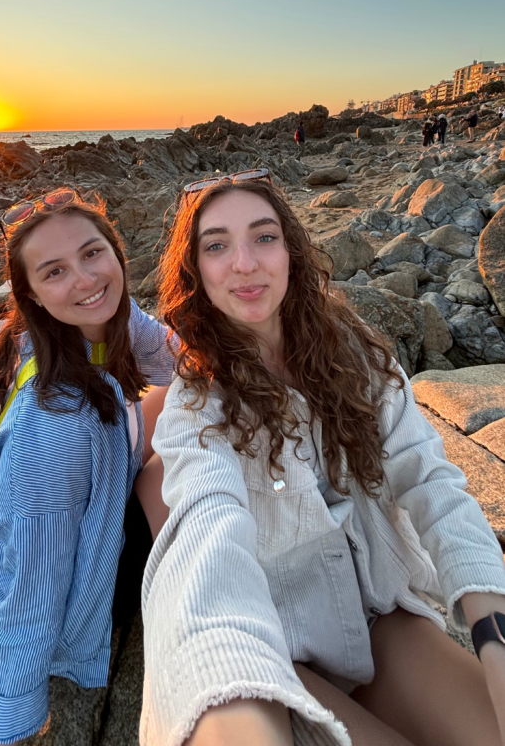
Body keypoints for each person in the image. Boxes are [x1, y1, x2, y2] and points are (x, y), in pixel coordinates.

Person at [141, 170, 505, 746]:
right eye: (216, 245)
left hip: (380, 617)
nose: (245, 263)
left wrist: (494, 633)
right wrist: (231, 718)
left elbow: (431, 481)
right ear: (196, 271)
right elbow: (206, 543)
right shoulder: (197, 402)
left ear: (290, 250)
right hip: (280, 645)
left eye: (263, 237)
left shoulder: (353, 352)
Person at [0, 189, 174, 746]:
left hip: (81, 520)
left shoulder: (66, 335)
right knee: (179, 465)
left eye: (93, 254)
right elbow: (33, 575)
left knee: (186, 396)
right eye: (55, 271)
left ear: (117, 253)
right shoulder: (57, 424)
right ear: (34, 296)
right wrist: (15, 710)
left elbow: (169, 358)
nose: (86, 280)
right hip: (73, 602)